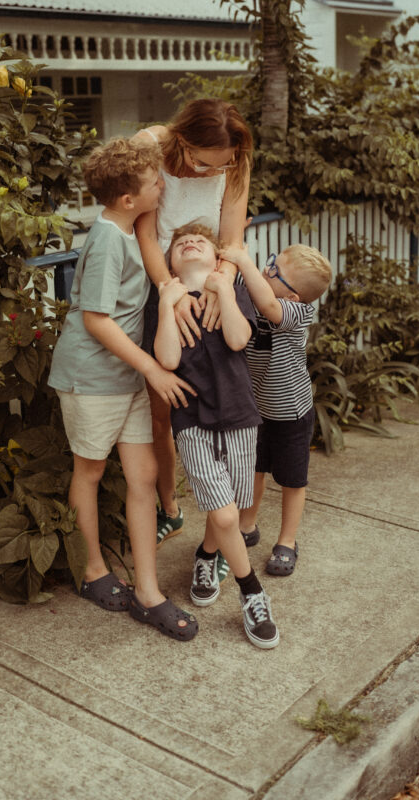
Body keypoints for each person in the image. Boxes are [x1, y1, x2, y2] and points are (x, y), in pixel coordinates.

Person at [48, 137, 198, 641]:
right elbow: (96, 320)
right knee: (89, 471)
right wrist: (153, 370)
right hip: (92, 377)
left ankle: (148, 592)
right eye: (155, 183)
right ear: (129, 198)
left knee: (144, 476)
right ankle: (93, 570)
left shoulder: (132, 227)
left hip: (128, 374)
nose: (163, 187)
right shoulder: (109, 239)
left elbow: (154, 139)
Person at [154, 222, 280, 649]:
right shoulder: (168, 300)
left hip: (240, 414)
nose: (190, 243)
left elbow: (239, 338)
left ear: (215, 258)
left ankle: (207, 555)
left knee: (227, 502)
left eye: (200, 241)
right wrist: (166, 304)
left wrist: (223, 288)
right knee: (227, 516)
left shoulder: (233, 290)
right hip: (192, 421)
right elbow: (167, 360)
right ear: (172, 263)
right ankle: (252, 592)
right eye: (181, 243)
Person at [133, 99, 253, 546]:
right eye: (202, 163)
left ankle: (219, 537)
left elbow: (232, 237)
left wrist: (223, 285)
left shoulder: (236, 158)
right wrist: (171, 292)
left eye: (220, 167)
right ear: (182, 140)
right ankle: (170, 508)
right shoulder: (151, 146)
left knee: (227, 405)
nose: (210, 173)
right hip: (163, 286)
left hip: (218, 287)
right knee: (162, 410)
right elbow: (146, 233)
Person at [219, 242, 332, 577]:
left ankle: (287, 541)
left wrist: (243, 261)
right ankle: (247, 525)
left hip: (291, 413)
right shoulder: (251, 288)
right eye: (271, 262)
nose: (265, 270)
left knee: (292, 479)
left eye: (275, 271)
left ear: (294, 296)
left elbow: (269, 306)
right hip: (255, 406)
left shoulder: (298, 312)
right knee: (253, 468)